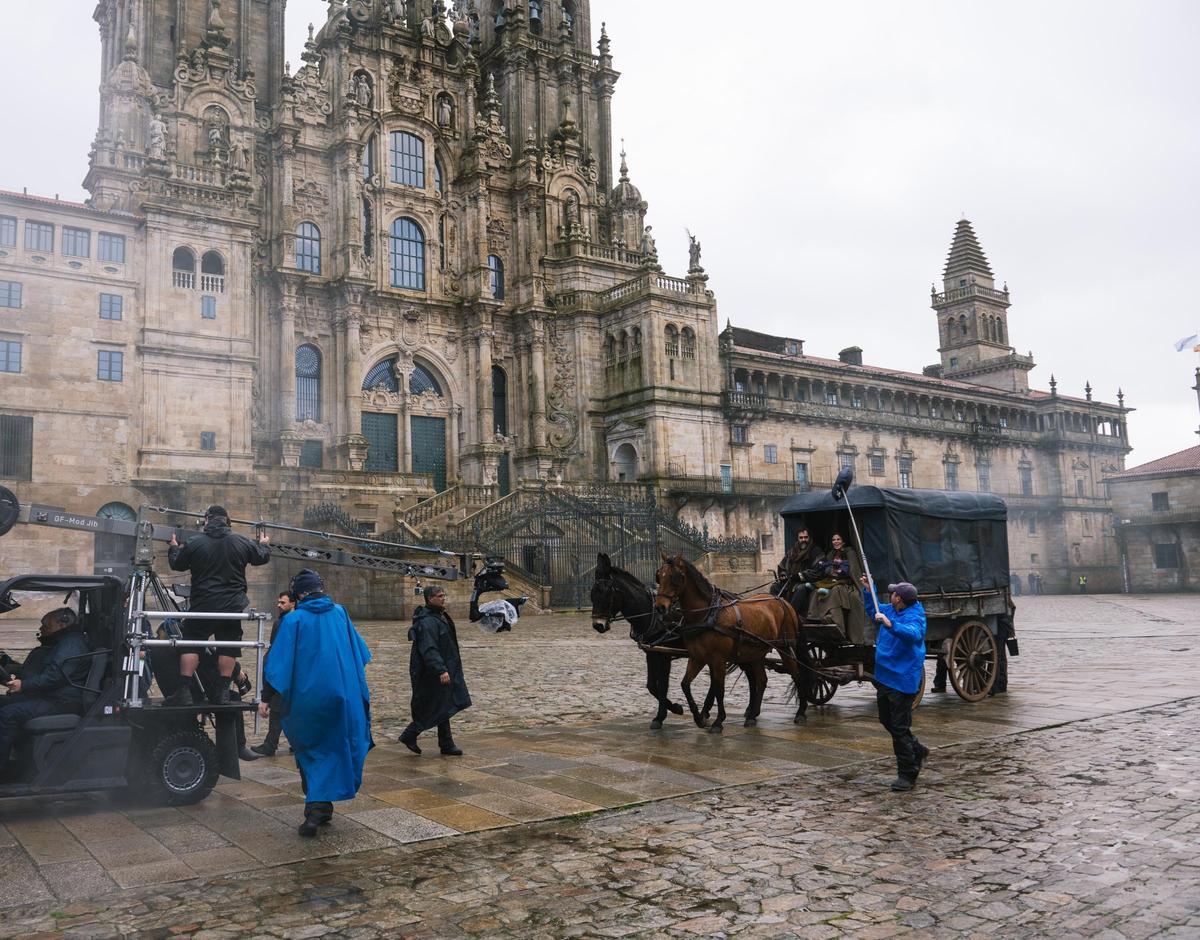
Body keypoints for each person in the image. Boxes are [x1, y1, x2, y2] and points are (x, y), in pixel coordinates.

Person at [262, 569, 374, 838]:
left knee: (311, 752)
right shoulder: (340, 613)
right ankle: (324, 807)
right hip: (343, 698)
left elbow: (276, 668)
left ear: (299, 594)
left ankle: (314, 810)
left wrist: (267, 697)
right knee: (337, 748)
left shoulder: (294, 620)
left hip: (309, 700)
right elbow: (362, 654)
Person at [167, 506, 271, 706]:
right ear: (227, 521)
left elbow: (177, 564)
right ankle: (223, 692)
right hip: (232, 606)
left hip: (203, 604)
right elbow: (261, 557)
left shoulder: (194, 542)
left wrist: (173, 547)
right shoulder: (241, 541)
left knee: (192, 644)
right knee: (228, 646)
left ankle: (184, 691)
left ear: (207, 520)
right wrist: (264, 544)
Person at [861, 577, 929, 792]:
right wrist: (868, 589)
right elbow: (874, 609)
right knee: (886, 720)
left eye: (893, 593)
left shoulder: (915, 615)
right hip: (885, 676)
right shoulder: (890, 608)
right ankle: (916, 749)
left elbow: (914, 634)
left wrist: (891, 625)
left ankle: (908, 774)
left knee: (899, 728)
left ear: (899, 598)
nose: (890, 595)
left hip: (903, 679)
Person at [0, 609, 92, 769]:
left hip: (61, 701)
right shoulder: (63, 642)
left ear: (62, 623)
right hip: (52, 696)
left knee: (7, 714)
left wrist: (23, 685)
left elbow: (54, 677)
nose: (42, 630)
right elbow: (45, 672)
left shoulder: (71, 644)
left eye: (46, 626)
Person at [400, 585, 470, 757]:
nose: (443, 598)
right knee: (435, 705)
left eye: (444, 595)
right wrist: (440, 669)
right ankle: (410, 734)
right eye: (440, 596)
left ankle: (446, 743)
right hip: (431, 672)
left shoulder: (438, 616)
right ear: (430, 599)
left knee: (443, 704)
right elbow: (429, 648)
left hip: (443, 667)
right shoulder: (428, 621)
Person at [251, 591, 295, 757]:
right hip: (289, 672)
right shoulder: (284, 621)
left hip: (284, 672)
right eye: (278, 602)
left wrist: (265, 696)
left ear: (293, 603)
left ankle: (271, 745)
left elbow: (276, 649)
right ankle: (291, 744)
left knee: (279, 708)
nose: (278, 605)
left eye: (283, 603)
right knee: (285, 709)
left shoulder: (284, 623)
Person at [808, 533, 868, 641]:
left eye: (838, 539)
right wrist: (830, 571)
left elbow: (853, 572)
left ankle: (836, 621)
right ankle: (815, 617)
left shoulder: (850, 553)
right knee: (816, 591)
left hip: (845, 583)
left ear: (843, 541)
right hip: (831, 581)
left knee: (836, 591)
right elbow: (825, 567)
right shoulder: (831, 554)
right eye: (833, 539)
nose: (836, 541)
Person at [775, 528, 825, 619]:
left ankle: (790, 616)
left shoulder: (816, 551)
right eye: (801, 537)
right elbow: (782, 566)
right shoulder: (792, 551)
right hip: (790, 582)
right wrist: (783, 574)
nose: (803, 540)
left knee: (800, 589)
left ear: (809, 538)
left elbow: (818, 571)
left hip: (810, 583)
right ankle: (775, 613)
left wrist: (799, 576)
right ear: (798, 538)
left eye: (805, 537)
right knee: (775, 587)